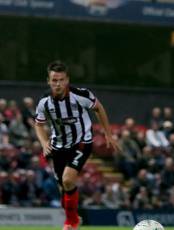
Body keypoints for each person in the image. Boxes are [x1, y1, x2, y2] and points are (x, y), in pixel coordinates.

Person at [34, 60, 120, 230]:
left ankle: (71, 222)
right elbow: (38, 124)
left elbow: (99, 108)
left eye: (61, 80)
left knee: (67, 180)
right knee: (64, 188)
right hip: (58, 146)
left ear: (67, 80)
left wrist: (107, 134)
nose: (58, 84)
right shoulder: (44, 102)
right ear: (48, 81)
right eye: (54, 80)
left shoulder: (80, 95)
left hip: (82, 142)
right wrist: (44, 143)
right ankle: (74, 218)